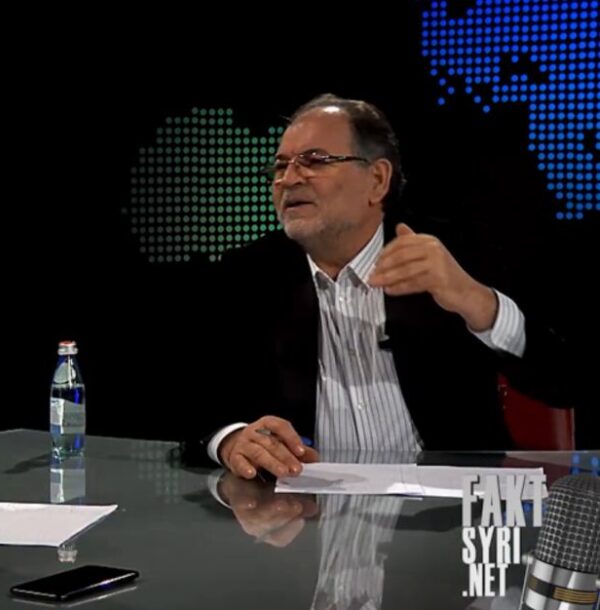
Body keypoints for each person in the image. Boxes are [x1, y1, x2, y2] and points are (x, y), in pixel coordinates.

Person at [181, 93, 572, 479]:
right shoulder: (247, 276)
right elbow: (187, 397)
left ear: (377, 180)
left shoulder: (456, 254)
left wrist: (476, 301)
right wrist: (230, 439)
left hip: (451, 504)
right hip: (305, 508)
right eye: (281, 165)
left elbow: (565, 381)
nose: (289, 179)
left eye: (315, 160)